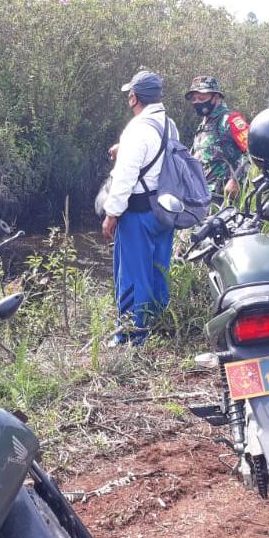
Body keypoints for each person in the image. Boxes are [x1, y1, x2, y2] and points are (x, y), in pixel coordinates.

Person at [101, 70, 176, 346]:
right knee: (159, 269)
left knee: (132, 274)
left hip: (138, 214)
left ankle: (131, 336)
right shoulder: (169, 125)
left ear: (133, 97)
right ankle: (158, 325)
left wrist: (111, 214)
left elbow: (124, 178)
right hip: (164, 212)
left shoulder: (136, 129)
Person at [184, 76, 249, 201]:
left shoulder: (229, 120)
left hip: (223, 197)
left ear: (216, 97)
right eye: (194, 99)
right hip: (201, 195)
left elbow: (253, 150)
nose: (197, 101)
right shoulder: (204, 125)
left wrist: (236, 179)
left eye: (202, 98)